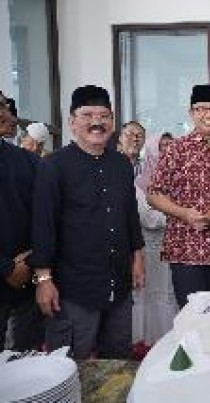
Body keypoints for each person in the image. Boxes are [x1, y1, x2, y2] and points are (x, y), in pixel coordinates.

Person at [30, 85, 145, 359]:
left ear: (112, 121)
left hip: (117, 283)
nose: (97, 122)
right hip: (73, 290)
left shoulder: (121, 164)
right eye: (87, 115)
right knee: (70, 365)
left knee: (117, 362)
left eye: (104, 115)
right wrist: (43, 280)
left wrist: (137, 256)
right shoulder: (54, 166)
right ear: (72, 122)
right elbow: (43, 225)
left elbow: (130, 214)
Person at [148, 85, 210, 308]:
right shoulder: (176, 150)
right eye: (201, 109)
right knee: (191, 319)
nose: (208, 114)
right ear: (192, 113)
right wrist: (184, 213)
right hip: (186, 249)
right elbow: (154, 195)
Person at [0, 102, 42, 352]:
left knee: (27, 367)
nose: (8, 115)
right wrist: (6, 268)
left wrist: (31, 259)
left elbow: (49, 214)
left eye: (5, 106)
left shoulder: (27, 161)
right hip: (10, 271)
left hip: (28, 279)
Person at [132, 133, 178, 345]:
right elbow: (148, 217)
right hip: (150, 249)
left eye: (171, 146)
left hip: (176, 247)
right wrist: (181, 214)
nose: (168, 151)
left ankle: (170, 339)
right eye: (162, 146)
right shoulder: (141, 183)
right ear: (152, 150)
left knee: (170, 291)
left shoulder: (181, 178)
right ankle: (148, 341)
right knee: (152, 291)